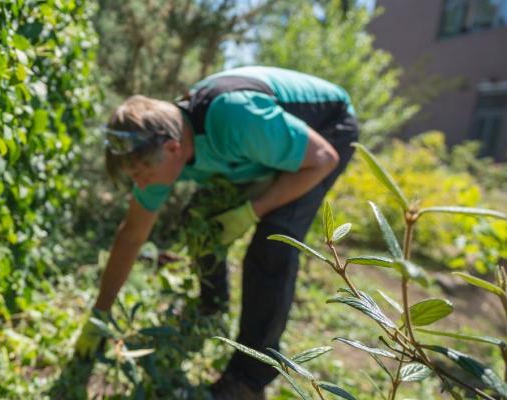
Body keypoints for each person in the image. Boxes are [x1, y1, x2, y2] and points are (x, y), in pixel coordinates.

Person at [73, 66, 359, 399]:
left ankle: (249, 379)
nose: (140, 184)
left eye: (142, 173)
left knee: (274, 240)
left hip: (324, 132)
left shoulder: (235, 118)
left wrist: (252, 211)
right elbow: (131, 236)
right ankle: (212, 308)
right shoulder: (160, 152)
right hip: (264, 148)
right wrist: (99, 313)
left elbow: (323, 159)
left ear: (173, 149)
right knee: (199, 219)